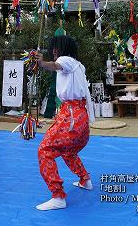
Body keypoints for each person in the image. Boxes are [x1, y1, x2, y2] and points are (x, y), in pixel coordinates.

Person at [35, 35, 95, 210]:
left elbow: (55, 65)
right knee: (69, 151)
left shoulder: (66, 60)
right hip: (80, 116)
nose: (53, 51)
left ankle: (58, 196)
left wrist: (42, 63)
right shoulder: (79, 66)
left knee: (45, 150)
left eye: (56, 48)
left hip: (71, 116)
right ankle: (85, 180)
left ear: (62, 49)